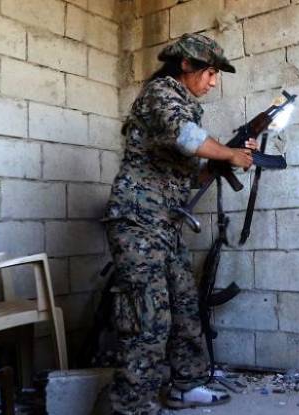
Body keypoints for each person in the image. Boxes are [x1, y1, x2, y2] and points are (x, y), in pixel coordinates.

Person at [102, 33, 256, 414]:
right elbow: (188, 138)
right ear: (186, 65)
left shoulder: (186, 108)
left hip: (166, 226)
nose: (214, 81)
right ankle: (131, 405)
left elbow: (190, 176)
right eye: (210, 72)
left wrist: (225, 160)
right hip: (138, 223)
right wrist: (228, 154)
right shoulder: (161, 94)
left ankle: (186, 386)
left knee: (185, 307)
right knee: (146, 317)